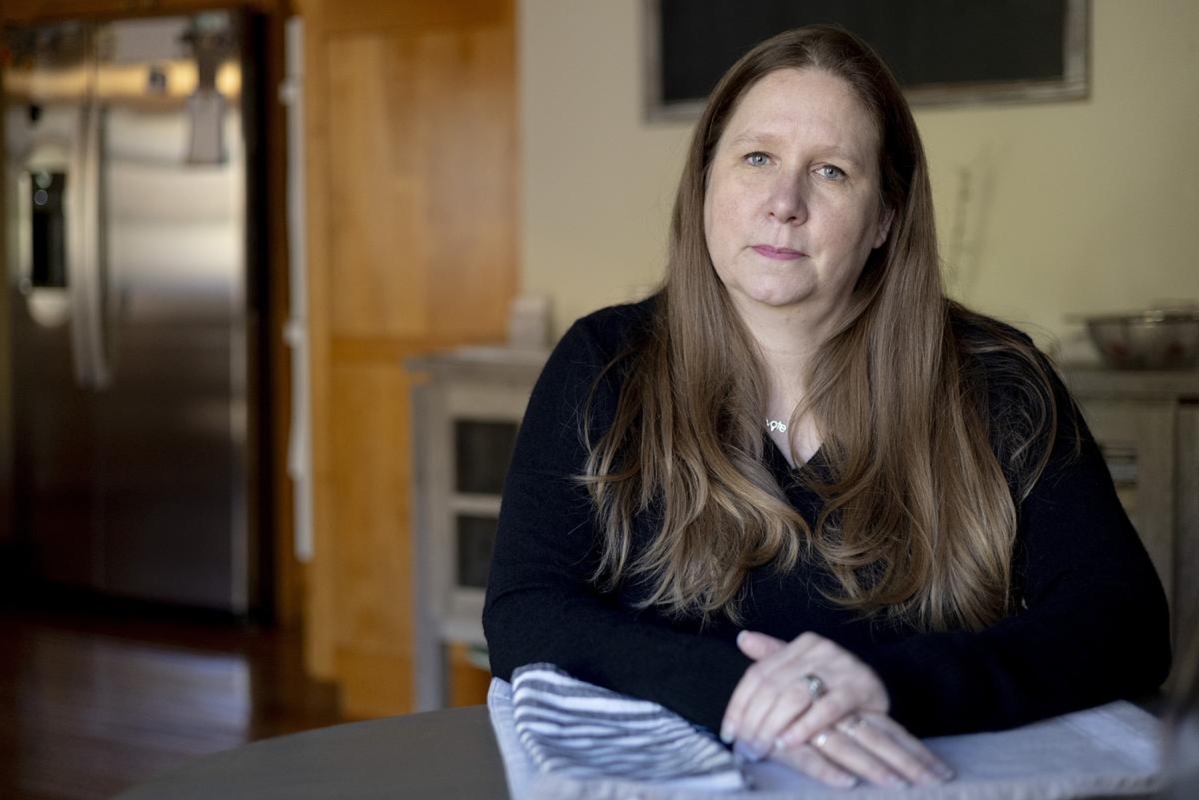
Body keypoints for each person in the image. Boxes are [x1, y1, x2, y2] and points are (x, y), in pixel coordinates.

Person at [482, 24, 1170, 790]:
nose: (785, 203)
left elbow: (1125, 624)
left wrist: (890, 683)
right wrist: (735, 691)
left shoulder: (997, 380)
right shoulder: (604, 363)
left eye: (833, 172)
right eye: (757, 158)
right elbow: (525, 611)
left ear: (884, 218)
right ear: (706, 181)